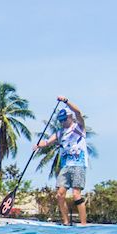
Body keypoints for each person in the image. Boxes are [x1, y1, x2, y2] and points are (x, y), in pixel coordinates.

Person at [36, 95, 87, 226]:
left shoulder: (79, 127)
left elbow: (78, 112)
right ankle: (65, 222)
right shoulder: (60, 133)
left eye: (64, 119)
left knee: (76, 195)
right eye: (60, 120)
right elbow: (47, 142)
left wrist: (66, 101)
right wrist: (39, 144)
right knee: (60, 194)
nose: (62, 122)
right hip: (65, 166)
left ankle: (83, 224)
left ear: (70, 117)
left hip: (78, 165)